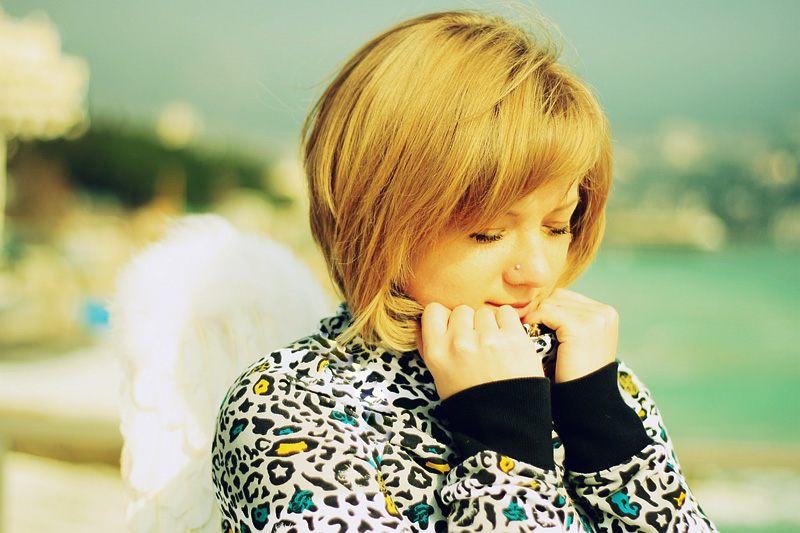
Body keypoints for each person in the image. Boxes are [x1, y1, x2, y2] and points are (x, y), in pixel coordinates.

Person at [212, 10, 718, 532]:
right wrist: (508, 445)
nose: (535, 271)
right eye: (488, 233)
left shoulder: (581, 375)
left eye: (558, 226)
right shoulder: (288, 410)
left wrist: (604, 428)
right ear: (376, 220)